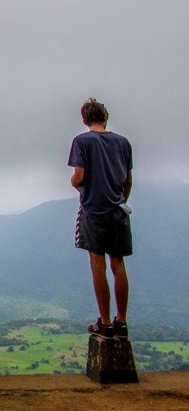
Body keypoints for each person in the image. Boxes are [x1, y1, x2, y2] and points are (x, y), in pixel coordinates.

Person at [68, 98, 133, 340]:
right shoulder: (123, 143)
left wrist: (73, 182)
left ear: (85, 119)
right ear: (105, 117)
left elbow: (79, 176)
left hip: (93, 210)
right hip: (118, 210)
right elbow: (128, 180)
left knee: (98, 264)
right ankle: (122, 323)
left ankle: (104, 324)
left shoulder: (82, 142)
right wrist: (121, 199)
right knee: (118, 264)